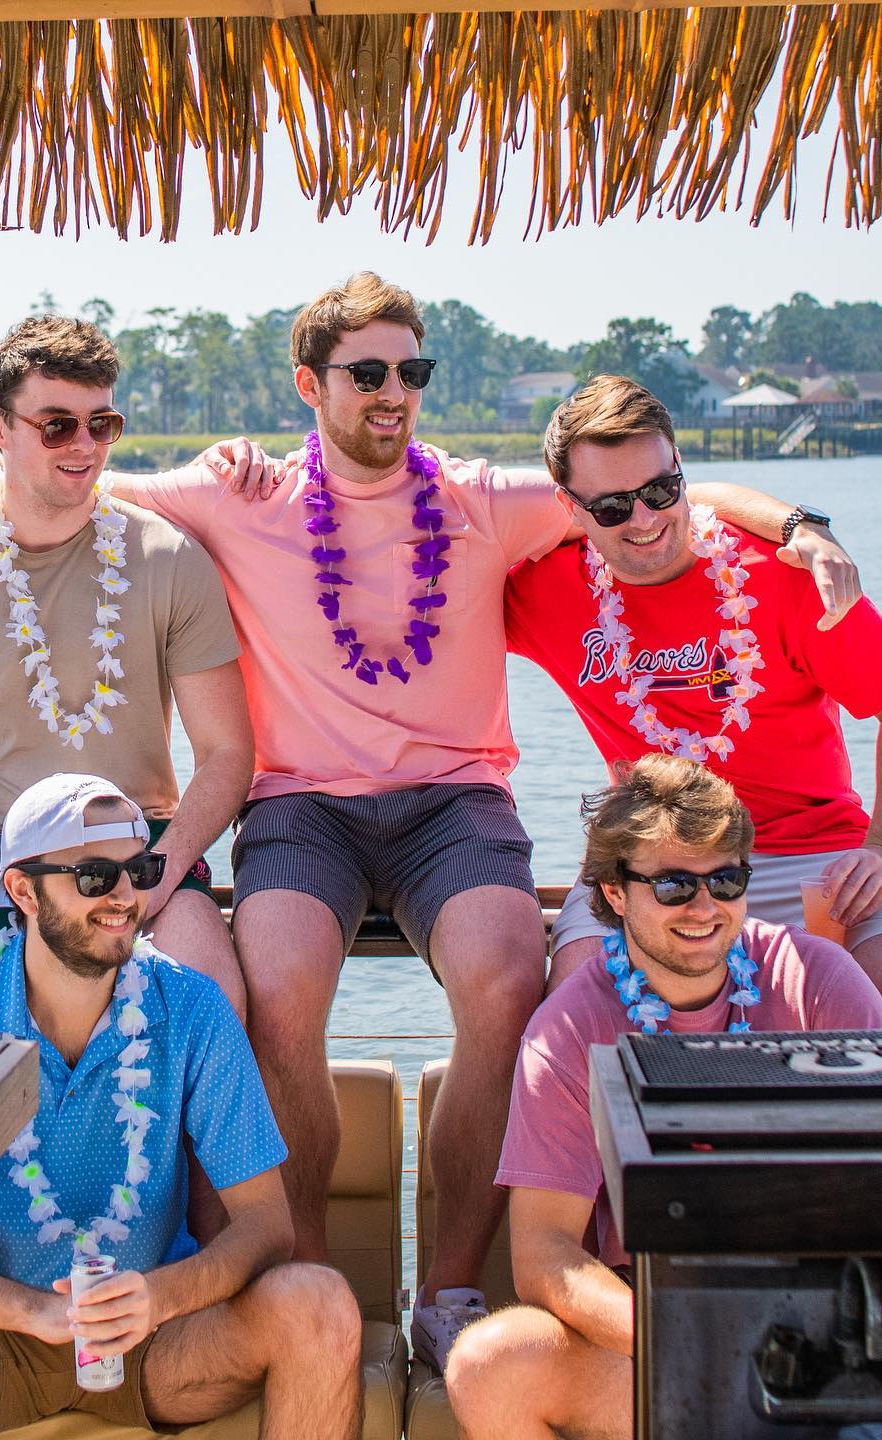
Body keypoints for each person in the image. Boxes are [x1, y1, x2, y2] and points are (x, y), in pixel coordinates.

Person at [69, 273, 859, 1369]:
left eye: (414, 370)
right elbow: (67, 476)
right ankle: (313, 1286)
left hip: (458, 802)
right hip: (302, 803)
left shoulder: (493, 498)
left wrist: (807, 525)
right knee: (281, 991)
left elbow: (673, 495)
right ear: (311, 385)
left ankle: (446, 1293)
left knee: (504, 984)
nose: (396, 392)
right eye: (369, 373)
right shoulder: (237, 494)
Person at [0, 772, 362, 1439]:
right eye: (93, 876)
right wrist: (33, 1313)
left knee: (320, 1304)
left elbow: (267, 1226)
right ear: (23, 891)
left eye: (137, 871)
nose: (123, 896)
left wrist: (157, 1299)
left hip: (159, 1345)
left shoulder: (193, 1008)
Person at [444, 754, 882, 1440]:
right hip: (653, 1337)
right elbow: (545, 1253)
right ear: (616, 894)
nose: (705, 908)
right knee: (490, 1363)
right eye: (675, 884)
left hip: (825, 1336)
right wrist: (691, 1338)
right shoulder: (566, 1033)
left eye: (726, 879)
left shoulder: (818, 978)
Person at [0, 314, 253, 1038]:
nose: (85, 446)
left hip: (137, 838)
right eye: (57, 425)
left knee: (212, 997)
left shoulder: (169, 559)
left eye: (103, 424)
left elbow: (227, 752)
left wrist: (164, 864)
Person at [506, 375, 882, 992]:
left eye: (661, 489)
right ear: (571, 510)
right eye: (613, 507)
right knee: (574, 996)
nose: (645, 520)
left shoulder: (786, 575)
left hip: (810, 857)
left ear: (681, 470)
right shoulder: (544, 588)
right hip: (647, 861)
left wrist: (881, 850)